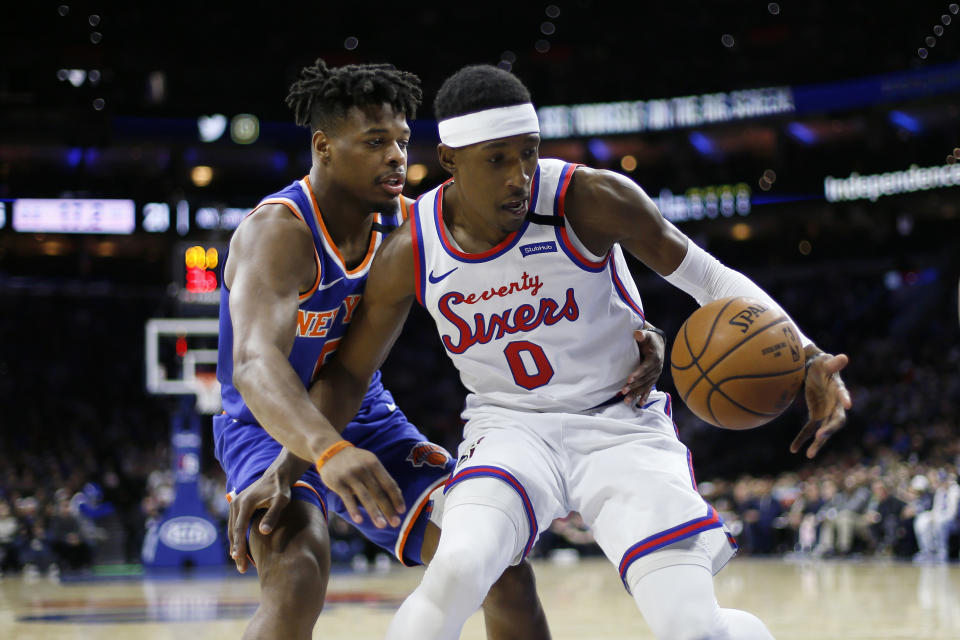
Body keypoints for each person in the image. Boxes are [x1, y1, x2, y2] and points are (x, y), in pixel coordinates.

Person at [294, 64, 852, 639]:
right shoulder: (412, 246)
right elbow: (350, 374)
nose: (519, 175)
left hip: (620, 422)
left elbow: (710, 279)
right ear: (451, 160)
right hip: (510, 427)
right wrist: (291, 467)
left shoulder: (590, 197)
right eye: (498, 159)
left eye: (529, 154)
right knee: (457, 569)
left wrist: (808, 354)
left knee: (692, 628)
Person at [214, 59, 557, 640]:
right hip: (266, 425)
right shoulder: (279, 232)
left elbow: (535, 245)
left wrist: (627, 324)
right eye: (375, 142)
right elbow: (253, 364)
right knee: (298, 575)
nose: (396, 156)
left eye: (400, 140)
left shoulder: (404, 223)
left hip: (363, 415)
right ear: (323, 146)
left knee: (501, 566)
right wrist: (321, 452)